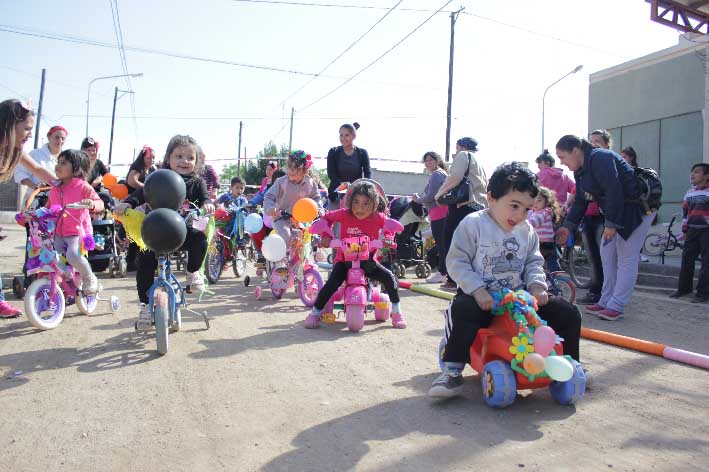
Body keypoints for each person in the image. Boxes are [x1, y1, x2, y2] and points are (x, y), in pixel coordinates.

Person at [429, 162, 581, 397]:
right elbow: (457, 261)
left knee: (568, 312)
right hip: (481, 297)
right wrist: (478, 290)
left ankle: (571, 365)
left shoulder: (527, 230)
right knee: (462, 310)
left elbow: (533, 261)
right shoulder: (473, 224)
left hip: (519, 300)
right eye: (514, 206)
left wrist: (537, 286)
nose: (520, 215)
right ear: (491, 198)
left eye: (527, 209)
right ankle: (452, 370)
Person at [116, 135, 215, 327]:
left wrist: (207, 204)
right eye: (178, 156)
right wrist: (127, 202)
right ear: (168, 158)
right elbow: (141, 194)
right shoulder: (158, 178)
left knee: (199, 240)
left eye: (190, 157)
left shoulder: (197, 183)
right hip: (156, 232)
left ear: (197, 161)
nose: (184, 161)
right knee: (144, 262)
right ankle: (145, 306)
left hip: (181, 232)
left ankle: (193, 273)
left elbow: (205, 198)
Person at [556, 135, 656, 321]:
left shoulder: (600, 157)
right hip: (618, 212)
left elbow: (613, 190)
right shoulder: (581, 170)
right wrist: (568, 227)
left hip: (638, 210)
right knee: (606, 252)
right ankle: (605, 300)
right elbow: (580, 200)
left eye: (563, 157)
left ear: (576, 151)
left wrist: (611, 223)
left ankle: (617, 305)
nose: (562, 163)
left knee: (627, 256)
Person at [305, 179, 406, 329]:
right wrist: (327, 236)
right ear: (350, 202)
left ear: (374, 204)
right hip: (344, 261)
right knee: (331, 284)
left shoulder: (378, 217)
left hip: (368, 261)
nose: (360, 208)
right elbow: (326, 218)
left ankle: (397, 311)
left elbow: (389, 228)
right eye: (356, 202)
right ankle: (315, 311)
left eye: (366, 204)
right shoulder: (344, 214)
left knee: (389, 278)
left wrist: (387, 239)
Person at [0, 99, 56, 318]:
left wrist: (65, 185)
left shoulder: (14, 149)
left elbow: (38, 169)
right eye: (26, 128)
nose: (29, 134)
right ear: (8, 124)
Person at [434, 137, 488, 289]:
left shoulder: (463, 155)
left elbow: (455, 177)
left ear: (462, 147)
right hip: (479, 206)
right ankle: (471, 279)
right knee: (473, 245)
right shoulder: (480, 162)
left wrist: (440, 194)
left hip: (463, 204)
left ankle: (452, 279)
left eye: (457, 147)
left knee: (451, 242)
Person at [49, 149, 104, 294]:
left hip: (77, 231)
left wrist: (92, 204)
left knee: (73, 255)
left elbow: (99, 202)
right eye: (58, 162)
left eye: (63, 163)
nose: (58, 166)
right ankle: (68, 276)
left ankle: (89, 276)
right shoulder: (54, 188)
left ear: (77, 168)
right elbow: (48, 208)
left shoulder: (82, 186)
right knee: (50, 254)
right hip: (58, 231)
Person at [575, 129, 612, 305]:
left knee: (605, 257)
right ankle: (596, 290)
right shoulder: (583, 168)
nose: (594, 143)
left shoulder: (605, 162)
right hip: (588, 217)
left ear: (606, 144)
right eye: (591, 140)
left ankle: (606, 292)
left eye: (598, 140)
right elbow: (580, 197)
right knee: (593, 256)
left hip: (603, 218)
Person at [670, 163, 709, 303]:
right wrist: (684, 230)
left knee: (706, 263)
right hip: (692, 230)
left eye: (697, 172)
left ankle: (702, 294)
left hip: (706, 231)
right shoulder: (689, 193)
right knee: (687, 260)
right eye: (692, 172)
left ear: (706, 176)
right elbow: (685, 213)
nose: (692, 174)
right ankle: (684, 289)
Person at [264, 150, 321, 244]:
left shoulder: (310, 183)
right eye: (289, 167)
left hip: (300, 219)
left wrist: (319, 210)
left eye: (296, 168)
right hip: (280, 217)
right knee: (286, 236)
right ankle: (281, 258)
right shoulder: (281, 182)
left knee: (300, 241)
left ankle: (297, 259)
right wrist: (270, 207)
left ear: (305, 171)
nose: (291, 171)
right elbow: (269, 196)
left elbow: (316, 198)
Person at [412, 151, 449, 284]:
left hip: (439, 213)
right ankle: (444, 272)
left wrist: (417, 199)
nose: (428, 163)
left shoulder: (436, 174)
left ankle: (443, 272)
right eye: (426, 161)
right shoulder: (442, 174)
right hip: (441, 213)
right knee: (443, 244)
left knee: (441, 245)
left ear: (437, 160)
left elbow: (431, 196)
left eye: (430, 160)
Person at [14, 124, 66, 205]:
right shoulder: (35, 154)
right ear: (49, 137)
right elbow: (20, 173)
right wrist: (35, 186)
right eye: (57, 137)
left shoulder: (67, 158)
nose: (60, 141)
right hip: (35, 201)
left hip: (57, 203)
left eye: (63, 138)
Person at [326, 122, 371, 209]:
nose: (343, 138)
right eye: (341, 135)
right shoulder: (333, 152)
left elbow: (367, 174)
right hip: (336, 196)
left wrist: (362, 187)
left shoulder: (362, 153)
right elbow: (331, 174)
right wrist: (343, 184)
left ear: (354, 136)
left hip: (356, 196)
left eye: (346, 135)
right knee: (336, 221)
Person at [528, 186, 562, 272]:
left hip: (543, 243)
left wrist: (523, 223)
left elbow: (534, 222)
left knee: (537, 263)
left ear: (547, 202)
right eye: (534, 199)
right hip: (543, 242)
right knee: (550, 263)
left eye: (539, 200)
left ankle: (557, 280)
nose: (535, 203)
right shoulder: (534, 211)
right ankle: (555, 280)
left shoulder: (545, 212)